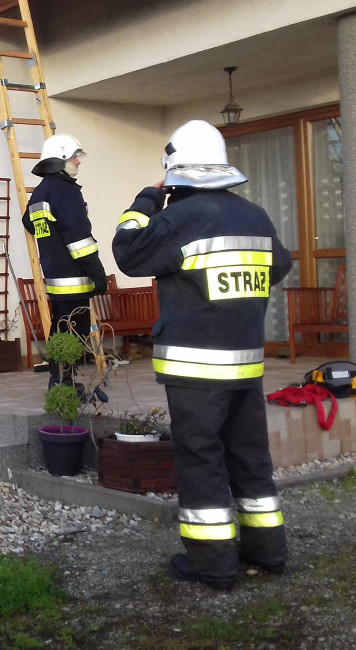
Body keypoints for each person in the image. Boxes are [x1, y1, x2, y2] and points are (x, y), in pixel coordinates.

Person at [113, 119, 292, 590]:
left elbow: (127, 251)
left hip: (194, 369)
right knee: (251, 456)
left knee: (201, 458)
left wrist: (146, 200)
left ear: (174, 173)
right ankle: (268, 552)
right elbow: (280, 264)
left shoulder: (178, 220)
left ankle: (214, 565)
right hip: (246, 364)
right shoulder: (254, 216)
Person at [21, 134, 108, 387]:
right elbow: (79, 239)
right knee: (75, 332)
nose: (78, 163)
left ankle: (57, 380)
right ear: (60, 160)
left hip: (55, 277)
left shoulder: (41, 191)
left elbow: (29, 221)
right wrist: (98, 273)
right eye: (73, 157)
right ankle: (67, 383)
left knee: (60, 329)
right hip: (75, 277)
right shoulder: (66, 191)